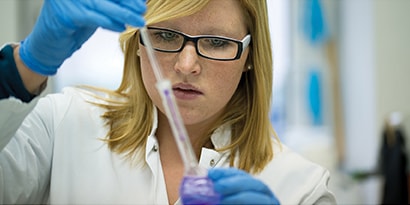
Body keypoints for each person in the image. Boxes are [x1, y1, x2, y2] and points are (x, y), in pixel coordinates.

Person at [0, 0, 337, 204]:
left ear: (249, 54)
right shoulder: (63, 126)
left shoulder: (301, 188)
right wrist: (22, 68)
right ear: (138, 42)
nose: (186, 65)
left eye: (217, 42)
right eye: (164, 35)